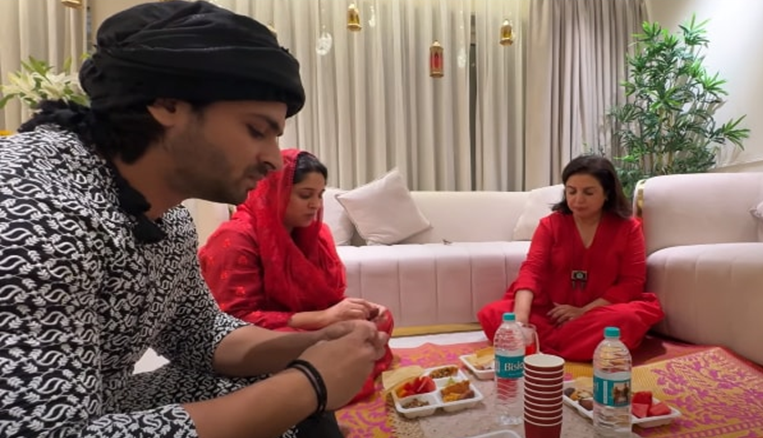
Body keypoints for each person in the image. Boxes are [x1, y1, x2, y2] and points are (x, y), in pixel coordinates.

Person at [0, 2, 387, 438]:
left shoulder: (169, 220)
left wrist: (314, 344)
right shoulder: (35, 210)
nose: (273, 161)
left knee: (284, 390)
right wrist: (310, 383)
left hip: (108, 398)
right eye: (256, 130)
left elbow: (201, 334)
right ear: (167, 103)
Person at [199, 148, 394, 405]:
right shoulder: (236, 238)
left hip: (306, 322)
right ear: (275, 191)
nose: (316, 204)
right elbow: (235, 319)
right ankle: (321, 384)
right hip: (262, 332)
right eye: (305, 195)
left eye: (320, 195)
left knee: (378, 320)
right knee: (321, 346)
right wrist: (325, 318)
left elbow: (325, 296)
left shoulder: (315, 234)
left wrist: (357, 308)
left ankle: (332, 376)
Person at [477, 155, 664, 361]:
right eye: (571, 191)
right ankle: (571, 345)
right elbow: (532, 270)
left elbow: (632, 282)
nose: (578, 200)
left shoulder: (628, 228)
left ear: (607, 193)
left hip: (600, 311)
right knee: (493, 313)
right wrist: (520, 323)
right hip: (552, 312)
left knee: (627, 319)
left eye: (588, 192)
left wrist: (584, 311)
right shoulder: (550, 225)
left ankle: (542, 344)